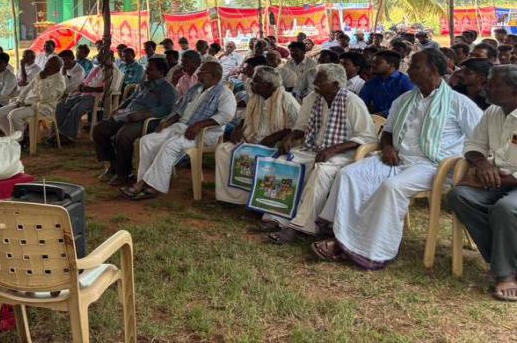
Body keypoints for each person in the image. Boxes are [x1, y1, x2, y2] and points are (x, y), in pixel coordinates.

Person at [313, 49, 482, 270]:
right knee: (349, 174)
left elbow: (479, 140)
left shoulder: (460, 103)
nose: (408, 70)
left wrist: (469, 163)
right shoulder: (403, 100)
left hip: (433, 165)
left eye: (414, 66)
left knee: (391, 187)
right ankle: (342, 235)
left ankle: (369, 250)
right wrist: (387, 147)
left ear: (432, 70)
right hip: (398, 158)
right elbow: (388, 132)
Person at [446, 65, 517, 302]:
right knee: (458, 196)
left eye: (493, 83)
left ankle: (505, 275)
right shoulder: (493, 111)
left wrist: (498, 179)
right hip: (500, 180)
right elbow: (473, 146)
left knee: (508, 208)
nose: (486, 86)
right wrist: (481, 164)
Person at [267, 64, 378, 243]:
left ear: (335, 84)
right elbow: (301, 126)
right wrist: (290, 137)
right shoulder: (312, 98)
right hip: (314, 148)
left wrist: (333, 149)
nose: (315, 83)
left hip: (344, 154)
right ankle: (276, 216)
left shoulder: (352, 101)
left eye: (320, 80)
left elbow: (367, 136)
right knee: (284, 160)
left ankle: (300, 226)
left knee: (321, 171)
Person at [121, 62, 235, 200]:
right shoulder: (196, 88)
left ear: (215, 76)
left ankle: (147, 185)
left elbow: (226, 115)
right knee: (147, 141)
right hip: (181, 126)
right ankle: (148, 183)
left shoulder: (224, 93)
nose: (198, 74)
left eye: (202, 72)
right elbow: (180, 107)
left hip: (204, 133)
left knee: (170, 146)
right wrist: (168, 121)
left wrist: (199, 125)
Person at [215, 67, 300, 205]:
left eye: (256, 81)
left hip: (275, 145)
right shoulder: (255, 97)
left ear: (269, 85)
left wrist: (277, 136)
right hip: (253, 138)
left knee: (258, 158)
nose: (251, 83)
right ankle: (231, 198)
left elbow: (299, 126)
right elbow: (245, 117)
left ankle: (256, 200)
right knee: (224, 150)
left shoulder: (286, 99)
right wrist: (238, 128)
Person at [92, 58, 177, 186]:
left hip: (147, 121)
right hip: (127, 116)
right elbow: (130, 99)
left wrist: (143, 114)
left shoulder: (167, 89)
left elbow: (166, 109)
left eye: (150, 69)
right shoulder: (144, 84)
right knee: (99, 129)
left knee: (123, 136)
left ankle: (123, 174)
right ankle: (113, 164)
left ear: (161, 71)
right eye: (147, 68)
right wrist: (119, 108)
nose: (146, 71)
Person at [0, 56, 66, 138]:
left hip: (43, 107)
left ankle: (19, 140)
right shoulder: (41, 75)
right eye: (46, 65)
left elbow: (44, 98)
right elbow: (27, 89)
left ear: (57, 68)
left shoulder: (59, 81)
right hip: (27, 103)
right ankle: (14, 137)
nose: (46, 68)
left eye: (49, 67)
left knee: (13, 115)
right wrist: (19, 101)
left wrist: (43, 81)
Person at [54, 51, 120, 142]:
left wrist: (91, 89)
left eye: (103, 57)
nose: (100, 59)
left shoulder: (113, 71)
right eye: (99, 57)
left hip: (96, 98)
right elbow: (86, 81)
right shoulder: (96, 68)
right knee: (61, 106)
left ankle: (67, 136)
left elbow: (110, 89)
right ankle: (59, 134)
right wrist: (82, 86)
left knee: (76, 109)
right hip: (83, 94)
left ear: (111, 59)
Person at [359, 50, 414, 117]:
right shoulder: (371, 82)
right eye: (373, 62)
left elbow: (408, 107)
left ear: (391, 65)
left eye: (378, 63)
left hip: (397, 121)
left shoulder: (405, 82)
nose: (373, 65)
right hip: (375, 120)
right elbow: (361, 103)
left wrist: (381, 115)